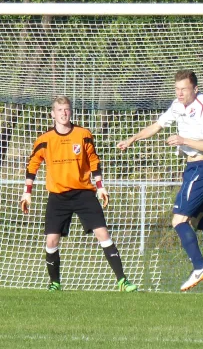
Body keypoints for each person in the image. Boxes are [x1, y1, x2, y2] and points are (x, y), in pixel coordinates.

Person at [117, 69, 203, 292]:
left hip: (202, 168)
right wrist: (132, 139)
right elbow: (157, 125)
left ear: (195, 89)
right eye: (177, 89)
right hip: (194, 168)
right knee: (195, 223)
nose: (179, 93)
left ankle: (200, 267)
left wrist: (183, 139)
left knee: (178, 221)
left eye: (184, 89)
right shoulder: (178, 105)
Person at [20, 95, 137, 292]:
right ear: (53, 114)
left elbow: (93, 161)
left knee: (103, 234)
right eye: (59, 110)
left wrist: (100, 186)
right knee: (51, 240)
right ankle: (54, 283)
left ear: (71, 112)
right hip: (58, 196)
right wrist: (27, 192)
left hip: (84, 193)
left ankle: (122, 281)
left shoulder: (83, 134)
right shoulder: (44, 140)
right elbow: (33, 165)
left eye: (66, 109)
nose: (63, 113)